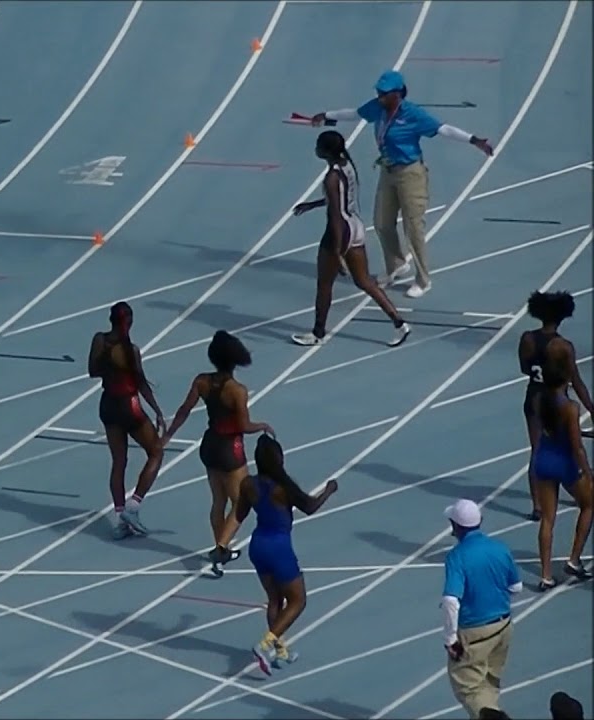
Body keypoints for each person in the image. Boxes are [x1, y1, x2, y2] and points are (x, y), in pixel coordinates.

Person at [311, 69, 494, 299]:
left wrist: (474, 140)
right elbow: (355, 113)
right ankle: (396, 264)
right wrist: (326, 115)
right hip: (387, 172)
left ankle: (423, 279)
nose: (379, 97)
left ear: (397, 94)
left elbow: (443, 129)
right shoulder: (377, 108)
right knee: (381, 222)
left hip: (411, 174)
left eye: (384, 93)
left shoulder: (413, 114)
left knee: (413, 227)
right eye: (378, 92)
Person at [161, 331, 272, 576]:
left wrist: (168, 435)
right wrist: (262, 425)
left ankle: (222, 550)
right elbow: (244, 426)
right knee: (242, 502)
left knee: (218, 501)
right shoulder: (237, 390)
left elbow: (183, 410)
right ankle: (221, 547)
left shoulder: (201, 381)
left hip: (209, 445)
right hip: (230, 447)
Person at [290, 130, 411, 348]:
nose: (315, 148)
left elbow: (335, 213)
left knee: (324, 284)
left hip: (340, 230)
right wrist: (312, 205)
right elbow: (341, 198)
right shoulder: (347, 164)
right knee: (364, 281)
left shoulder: (330, 178)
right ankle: (399, 323)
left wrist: (337, 251)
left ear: (325, 151)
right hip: (355, 225)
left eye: (318, 145)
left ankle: (318, 333)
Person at [229, 434, 336, 674]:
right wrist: (329, 490)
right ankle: (264, 645)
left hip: (257, 545)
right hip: (278, 547)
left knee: (275, 599)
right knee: (298, 600)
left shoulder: (248, 484)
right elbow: (309, 507)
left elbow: (241, 512)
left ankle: (280, 652)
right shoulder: (283, 487)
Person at [87, 301, 167, 539]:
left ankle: (120, 518)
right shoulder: (131, 351)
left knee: (119, 461)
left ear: (110, 319)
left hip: (108, 404)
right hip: (128, 405)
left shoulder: (99, 340)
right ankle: (134, 505)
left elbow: (92, 371)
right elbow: (141, 383)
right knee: (156, 451)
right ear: (130, 322)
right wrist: (158, 411)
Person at [440, 498, 523, 719]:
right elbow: (516, 587)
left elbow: (451, 601)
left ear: (455, 526)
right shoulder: (500, 549)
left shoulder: (457, 557)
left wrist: (450, 639)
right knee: (489, 683)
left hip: (474, 633)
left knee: (470, 689)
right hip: (503, 627)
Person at [518, 290, 594, 520]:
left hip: (533, 398)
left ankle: (537, 505)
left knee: (537, 450)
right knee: (569, 447)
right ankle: (576, 490)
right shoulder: (563, 346)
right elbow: (576, 380)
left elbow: (524, 369)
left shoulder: (527, 339)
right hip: (557, 400)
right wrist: (591, 407)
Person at [530, 358, 594, 590]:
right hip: (564, 461)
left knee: (548, 519)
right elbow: (576, 445)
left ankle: (545, 575)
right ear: (566, 379)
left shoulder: (539, 400)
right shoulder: (570, 407)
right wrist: (587, 471)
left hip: (543, 459)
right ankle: (574, 559)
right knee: (589, 504)